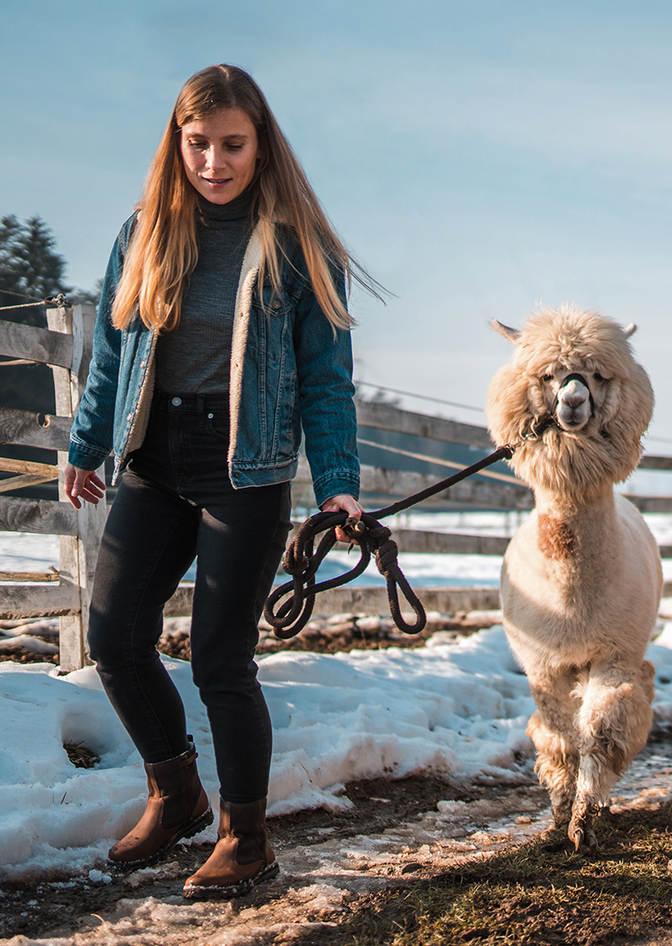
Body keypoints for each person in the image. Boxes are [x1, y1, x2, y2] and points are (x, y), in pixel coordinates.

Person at [62, 64, 371, 898]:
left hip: (248, 469)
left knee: (219, 659)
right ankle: (177, 794)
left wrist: (339, 483)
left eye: (231, 144)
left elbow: (326, 379)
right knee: (116, 637)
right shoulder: (144, 233)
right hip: (156, 462)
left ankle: (247, 837)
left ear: (260, 144)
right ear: (178, 143)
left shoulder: (297, 243)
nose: (213, 162)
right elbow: (113, 357)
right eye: (197, 144)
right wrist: (88, 448)